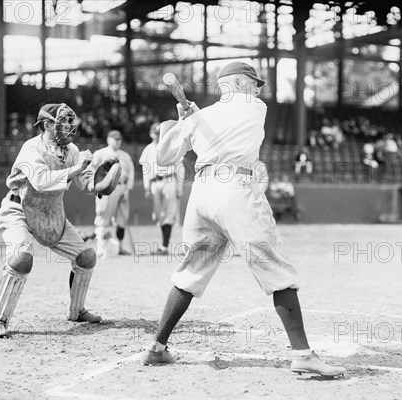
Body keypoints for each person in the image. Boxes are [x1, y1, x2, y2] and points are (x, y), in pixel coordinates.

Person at [138, 61, 345, 377]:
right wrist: (189, 117)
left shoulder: (203, 116)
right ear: (236, 84)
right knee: (276, 268)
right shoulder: (252, 107)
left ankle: (156, 347)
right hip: (235, 190)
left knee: (191, 271)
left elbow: (163, 157)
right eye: (253, 82)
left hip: (202, 193)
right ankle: (302, 354)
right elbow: (228, 113)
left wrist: (184, 122)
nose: (258, 88)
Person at [0, 103, 102, 337]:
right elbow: (40, 181)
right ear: (47, 124)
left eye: (71, 121)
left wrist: (97, 184)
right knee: (21, 259)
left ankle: (77, 310)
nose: (69, 127)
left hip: (51, 211)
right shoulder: (31, 147)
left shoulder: (71, 150)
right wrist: (78, 168)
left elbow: (83, 182)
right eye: (63, 121)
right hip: (19, 207)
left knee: (86, 257)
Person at [139, 122, 184, 255]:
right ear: (151, 133)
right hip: (154, 182)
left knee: (169, 213)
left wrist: (179, 188)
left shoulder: (171, 146)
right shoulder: (147, 149)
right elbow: (145, 171)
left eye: (160, 132)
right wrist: (147, 188)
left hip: (169, 179)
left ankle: (164, 247)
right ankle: (163, 245)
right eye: (156, 132)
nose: (158, 135)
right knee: (158, 214)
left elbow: (180, 168)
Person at [93, 129, 135, 257]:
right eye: (115, 139)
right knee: (103, 217)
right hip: (106, 189)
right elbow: (93, 171)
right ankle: (101, 248)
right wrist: (97, 188)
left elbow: (131, 173)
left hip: (122, 187)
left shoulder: (125, 155)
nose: (117, 141)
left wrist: (128, 188)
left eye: (119, 139)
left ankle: (121, 247)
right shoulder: (100, 153)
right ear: (108, 139)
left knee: (121, 219)